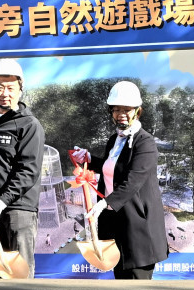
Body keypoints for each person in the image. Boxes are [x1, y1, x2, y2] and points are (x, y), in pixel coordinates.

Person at [71, 81, 169, 279]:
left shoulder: (145, 142)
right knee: (120, 284)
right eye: (116, 109)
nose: (121, 114)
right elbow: (112, 168)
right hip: (115, 222)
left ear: (138, 111)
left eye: (127, 109)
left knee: (137, 285)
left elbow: (133, 180)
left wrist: (105, 203)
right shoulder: (114, 140)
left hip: (138, 225)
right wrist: (89, 159)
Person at [0, 59, 45, 278]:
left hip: (18, 210)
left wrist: (2, 202)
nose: (5, 93)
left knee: (20, 276)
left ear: (20, 90)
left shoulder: (29, 125)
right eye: (0, 87)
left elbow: (28, 170)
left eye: (11, 88)